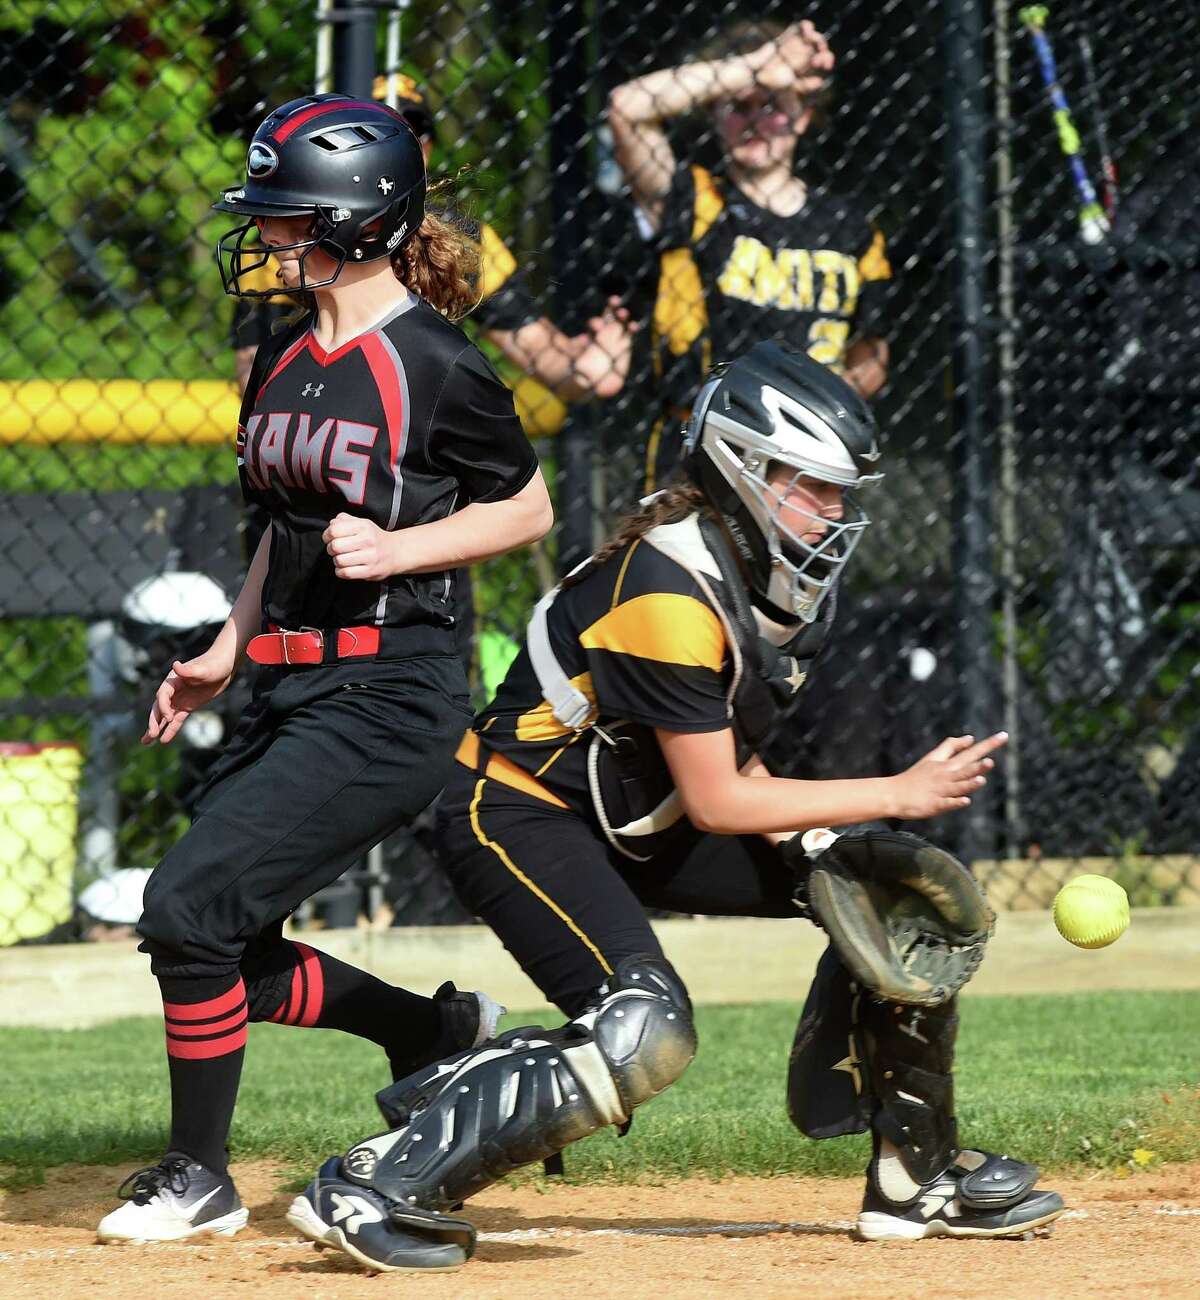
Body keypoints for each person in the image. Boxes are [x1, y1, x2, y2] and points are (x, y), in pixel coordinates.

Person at [282, 343, 1065, 1273]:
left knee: (893, 896)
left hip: (630, 808)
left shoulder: (771, 581)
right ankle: (378, 1181)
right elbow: (719, 795)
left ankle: (914, 1180)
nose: (837, 510)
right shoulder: (663, 590)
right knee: (643, 1026)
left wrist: (838, 847)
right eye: (813, 486)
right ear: (742, 470)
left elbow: (725, 754)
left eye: (840, 491)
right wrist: (900, 792)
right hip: (514, 809)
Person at [95, 91, 553, 1246]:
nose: (270, 239)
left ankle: (197, 1176)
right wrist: (224, 648)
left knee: (186, 906)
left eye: (288, 216)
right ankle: (429, 1033)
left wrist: (403, 546)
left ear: (357, 219)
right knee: (213, 945)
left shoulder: (437, 362)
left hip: (393, 692)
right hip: (288, 685)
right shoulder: (282, 357)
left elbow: (528, 506)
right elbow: (280, 534)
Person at [233, 74, 637, 423]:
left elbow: (537, 351)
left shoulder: (460, 237)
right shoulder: (288, 242)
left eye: (410, 133)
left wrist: (587, 369)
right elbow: (259, 385)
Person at [608, 20, 892, 491]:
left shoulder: (853, 229)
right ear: (717, 117)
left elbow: (872, 355)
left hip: (810, 455)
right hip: (701, 450)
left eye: (773, 106)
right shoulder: (696, 200)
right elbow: (626, 109)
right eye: (739, 107)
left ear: (803, 116)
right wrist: (757, 68)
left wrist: (822, 405)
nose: (757, 120)